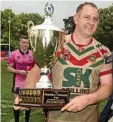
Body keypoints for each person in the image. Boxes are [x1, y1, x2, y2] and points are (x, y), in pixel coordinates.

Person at [17, 2, 112, 122]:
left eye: (95, 19)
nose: (91, 22)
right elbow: (37, 71)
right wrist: (28, 95)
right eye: (87, 17)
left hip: (89, 119)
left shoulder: (104, 52)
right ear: (76, 19)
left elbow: (107, 86)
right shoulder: (58, 43)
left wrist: (87, 100)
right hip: (56, 119)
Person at [7, 35, 40, 122]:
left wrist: (31, 73)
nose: (25, 44)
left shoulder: (33, 54)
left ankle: (27, 120)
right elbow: (9, 68)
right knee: (16, 103)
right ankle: (16, 120)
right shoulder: (14, 54)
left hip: (29, 82)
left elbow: (36, 68)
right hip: (17, 82)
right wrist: (18, 71)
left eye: (27, 42)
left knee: (28, 103)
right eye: (23, 42)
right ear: (20, 43)